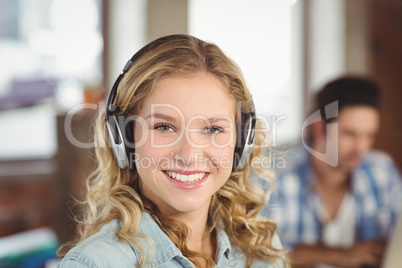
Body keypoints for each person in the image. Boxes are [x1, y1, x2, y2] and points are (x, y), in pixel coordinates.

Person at [57, 35, 288, 268]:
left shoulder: (261, 249)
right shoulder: (93, 264)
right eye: (164, 127)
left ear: (241, 143)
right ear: (125, 139)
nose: (188, 155)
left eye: (212, 129)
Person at [267, 76, 402, 268]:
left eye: (369, 135)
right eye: (349, 134)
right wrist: (341, 256)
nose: (361, 147)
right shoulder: (273, 175)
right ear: (319, 127)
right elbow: (254, 252)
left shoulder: (382, 170)